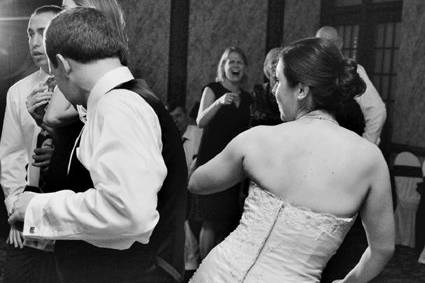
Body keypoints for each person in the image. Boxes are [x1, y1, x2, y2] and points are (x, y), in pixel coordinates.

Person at [188, 37, 395, 282]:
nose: (274, 90)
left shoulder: (258, 140)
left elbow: (197, 183)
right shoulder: (371, 159)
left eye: (279, 81)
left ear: (301, 90)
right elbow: (383, 249)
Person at [9, 7, 187, 283]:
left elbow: (127, 213)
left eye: (54, 77)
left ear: (63, 65)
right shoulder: (120, 99)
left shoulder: (118, 105)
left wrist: (36, 207)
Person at [0, 5, 62, 283]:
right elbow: (11, 156)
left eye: (43, 33)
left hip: (70, 219)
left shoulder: (83, 87)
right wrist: (17, 208)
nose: (35, 42)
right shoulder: (18, 91)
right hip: (25, 221)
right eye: (30, 34)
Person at [192, 46, 252, 259]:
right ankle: (203, 268)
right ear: (223, 66)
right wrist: (218, 102)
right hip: (212, 161)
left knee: (229, 219)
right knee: (210, 218)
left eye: (239, 62)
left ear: (244, 68)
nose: (235, 66)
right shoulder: (212, 89)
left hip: (236, 165)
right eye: (231, 62)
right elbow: (200, 121)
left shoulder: (248, 98)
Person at [315, 26, 387, 145]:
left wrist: (367, 144)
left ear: (339, 44)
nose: (324, 48)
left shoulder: (352, 71)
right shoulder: (311, 72)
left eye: (329, 43)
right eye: (319, 43)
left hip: (346, 147)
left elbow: (377, 111)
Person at [169, 104, 203, 282]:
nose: (175, 120)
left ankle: (192, 264)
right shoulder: (166, 135)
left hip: (197, 187)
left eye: (178, 116)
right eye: (171, 117)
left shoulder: (197, 133)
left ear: (186, 117)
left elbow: (201, 160)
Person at [251, 47, 282, 126]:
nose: (276, 65)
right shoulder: (258, 91)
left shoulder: (291, 90)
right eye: (273, 62)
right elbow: (255, 119)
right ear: (266, 66)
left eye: (280, 62)